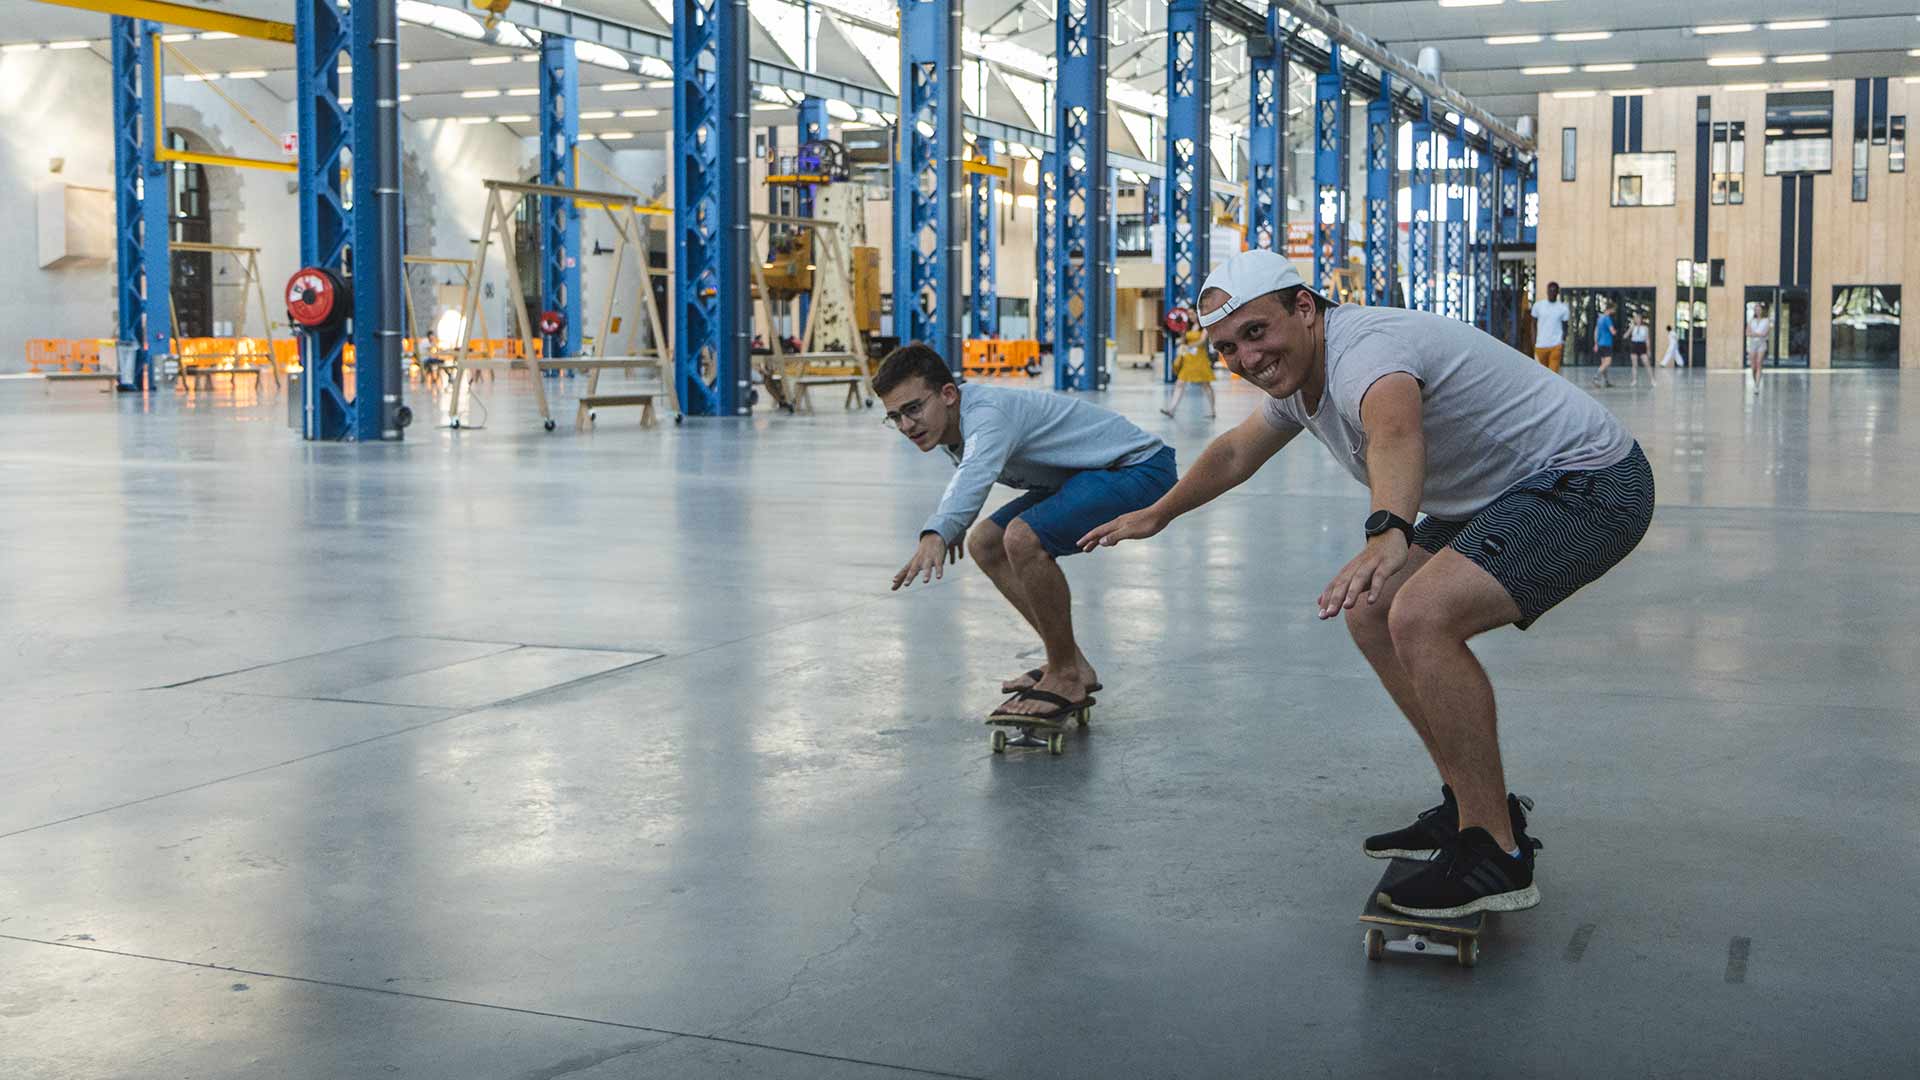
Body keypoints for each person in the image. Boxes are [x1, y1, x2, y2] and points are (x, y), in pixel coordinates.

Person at [1079, 250, 1654, 919]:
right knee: (1373, 610)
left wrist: (1389, 528)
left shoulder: (1364, 351)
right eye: (1228, 346)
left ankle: (1496, 854)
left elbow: (1394, 430)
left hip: (1590, 483)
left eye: (1256, 333)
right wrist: (1159, 512)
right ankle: (1472, 806)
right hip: (1504, 494)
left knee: (1423, 616)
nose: (1246, 358)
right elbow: (1236, 450)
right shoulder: (1300, 377)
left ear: (1304, 308)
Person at [876, 344, 1178, 722]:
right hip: (1086, 474)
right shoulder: (950, 425)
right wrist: (954, 526)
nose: (906, 426)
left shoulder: (987, 414)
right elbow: (971, 471)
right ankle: (1069, 663)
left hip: (1137, 468)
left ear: (948, 394)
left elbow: (975, 471)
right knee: (985, 543)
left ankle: (1064, 672)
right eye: (894, 417)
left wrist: (938, 530)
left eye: (913, 409)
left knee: (1022, 537)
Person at [1161, 328, 1217, 419]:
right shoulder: (1187, 326)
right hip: (1188, 359)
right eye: (1189, 314)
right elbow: (1183, 341)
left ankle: (1213, 410)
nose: (1190, 316)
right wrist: (1182, 336)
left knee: (1206, 385)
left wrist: (1189, 345)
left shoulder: (1203, 327)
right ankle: (1171, 410)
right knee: (1180, 383)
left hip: (1200, 359)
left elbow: (1202, 341)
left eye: (1192, 314)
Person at [1530, 282, 1571, 374]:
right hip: (1541, 345)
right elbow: (1533, 324)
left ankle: (1552, 388)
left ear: (1558, 292)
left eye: (1554, 291)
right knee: (1542, 373)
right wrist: (1533, 341)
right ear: (1547, 291)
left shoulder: (1563, 308)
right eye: (1550, 290)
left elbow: (1565, 327)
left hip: (1556, 345)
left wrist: (1563, 342)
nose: (1552, 292)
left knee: (1553, 373)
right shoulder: (1538, 306)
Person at [1745, 303, 1772, 393]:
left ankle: (1757, 385)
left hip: (1762, 343)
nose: (1757, 311)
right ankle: (1755, 379)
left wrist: (1754, 334)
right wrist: (1757, 334)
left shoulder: (1766, 321)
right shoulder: (1751, 321)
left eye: (1759, 309)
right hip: (1753, 344)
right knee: (1753, 367)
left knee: (1759, 362)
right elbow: (1747, 333)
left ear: (1762, 310)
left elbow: (1765, 333)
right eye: (1756, 309)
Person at [1590, 304, 1617, 388]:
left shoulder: (1600, 319)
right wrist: (1616, 332)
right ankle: (1596, 377)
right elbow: (1612, 331)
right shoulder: (1607, 318)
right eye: (1614, 310)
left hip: (1600, 344)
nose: (1614, 312)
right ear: (1610, 309)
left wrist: (1596, 343)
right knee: (1608, 362)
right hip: (1607, 343)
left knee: (1603, 363)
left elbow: (1596, 331)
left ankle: (1606, 381)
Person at [1628, 313, 1653, 386]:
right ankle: (1634, 380)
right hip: (1634, 345)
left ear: (1641, 319)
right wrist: (1630, 329)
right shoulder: (1632, 327)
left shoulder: (1645, 328)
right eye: (1636, 319)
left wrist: (1648, 349)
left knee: (1647, 363)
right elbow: (1626, 335)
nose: (1638, 320)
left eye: (1639, 318)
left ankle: (1652, 380)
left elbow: (1647, 339)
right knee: (1634, 364)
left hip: (1642, 345)